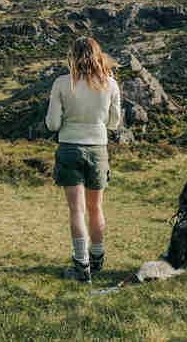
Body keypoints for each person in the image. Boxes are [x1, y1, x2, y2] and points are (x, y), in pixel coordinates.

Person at [45, 36, 121, 283]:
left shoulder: (62, 83)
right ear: (98, 55)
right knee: (95, 208)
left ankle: (81, 267)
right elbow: (114, 123)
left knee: (76, 210)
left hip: (69, 147)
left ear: (73, 56)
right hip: (98, 148)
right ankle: (97, 260)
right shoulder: (110, 84)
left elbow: (53, 123)